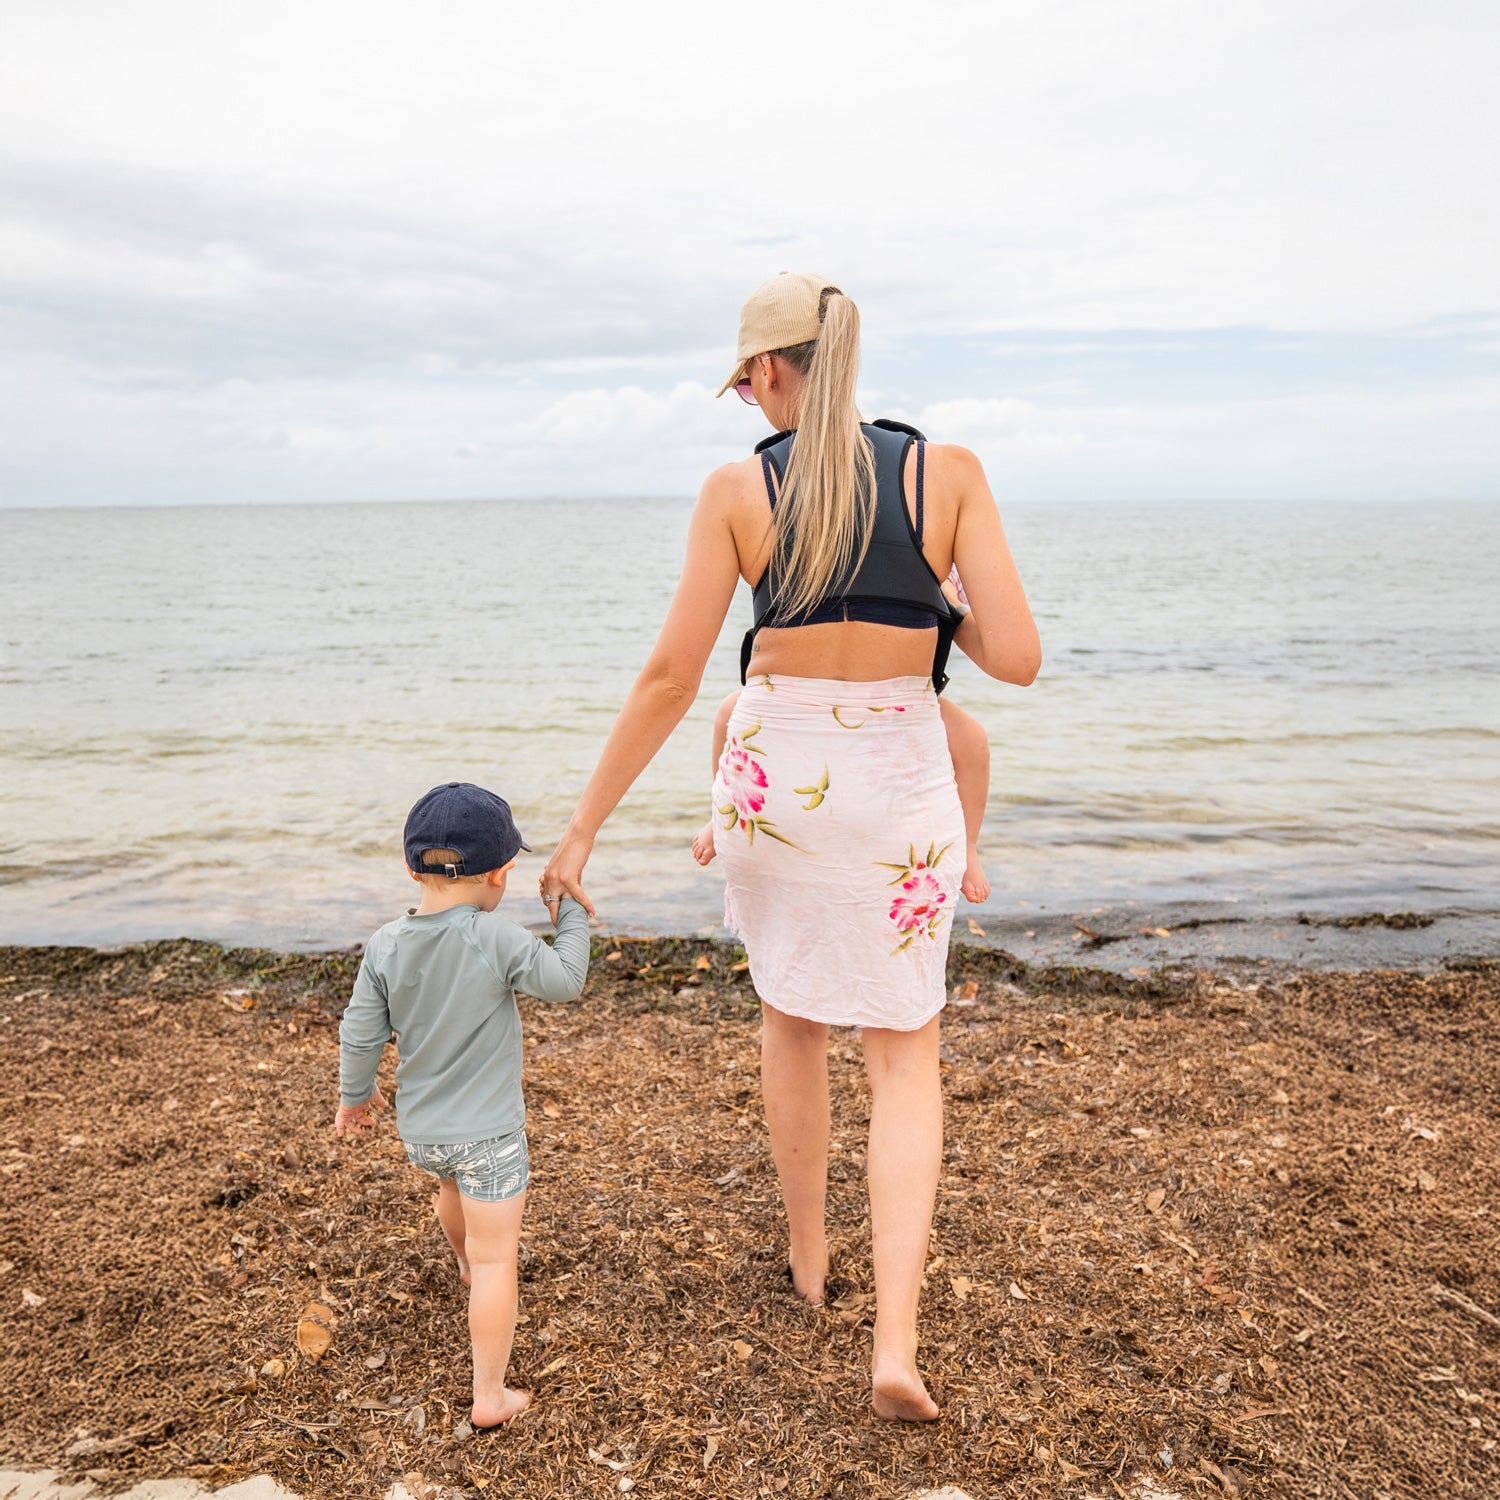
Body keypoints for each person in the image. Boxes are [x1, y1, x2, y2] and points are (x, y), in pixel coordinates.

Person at [541, 272, 1039, 1422]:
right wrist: (939, 597)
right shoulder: (948, 473)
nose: (747, 401)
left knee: (793, 1021)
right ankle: (894, 1345)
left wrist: (582, 826)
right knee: (904, 1057)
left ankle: (811, 1268)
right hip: (900, 779)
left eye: (746, 383)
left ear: (770, 369)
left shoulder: (736, 490)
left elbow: (671, 679)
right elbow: (1015, 660)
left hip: (778, 785)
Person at [336, 781, 590, 1430]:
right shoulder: (493, 936)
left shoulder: (386, 944)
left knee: (451, 1187)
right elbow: (565, 981)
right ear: (500, 873)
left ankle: (462, 1261)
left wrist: (355, 1096)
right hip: (491, 1138)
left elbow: (360, 1033)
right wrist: (570, 915)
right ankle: (490, 1395)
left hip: (423, 1134)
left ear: (410, 868)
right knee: (498, 1258)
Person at [691, 570, 992, 903]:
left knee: (972, 740)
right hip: (808, 686)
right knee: (728, 713)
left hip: (900, 692)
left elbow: (969, 629)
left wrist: (947, 594)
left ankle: (968, 845)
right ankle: (723, 809)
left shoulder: (941, 562)